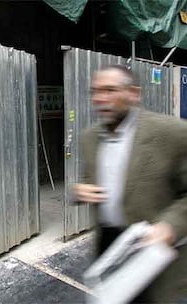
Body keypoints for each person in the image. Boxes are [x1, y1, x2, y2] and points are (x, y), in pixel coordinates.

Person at [72, 65, 187, 303]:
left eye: (110, 90)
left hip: (154, 249)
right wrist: (79, 190)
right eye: (96, 92)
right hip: (110, 245)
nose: (101, 98)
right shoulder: (89, 138)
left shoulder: (172, 133)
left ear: (134, 93)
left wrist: (171, 226)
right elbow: (89, 178)